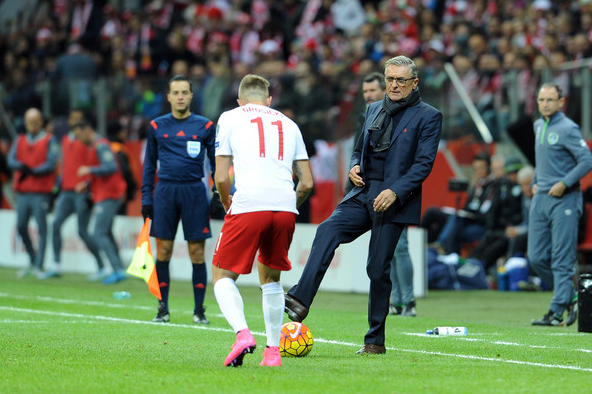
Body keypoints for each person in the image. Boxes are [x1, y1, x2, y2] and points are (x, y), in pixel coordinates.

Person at [285, 55, 442, 355]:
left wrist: (395, 191)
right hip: (363, 192)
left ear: (414, 83)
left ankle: (375, 341)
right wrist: (355, 166)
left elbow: (423, 165)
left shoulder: (429, 116)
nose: (394, 85)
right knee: (328, 229)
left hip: (393, 199)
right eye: (389, 79)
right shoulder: (372, 109)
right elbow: (359, 150)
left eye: (401, 80)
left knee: (377, 268)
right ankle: (300, 300)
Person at [211, 74, 313, 367]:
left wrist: (226, 200)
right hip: (284, 208)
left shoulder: (230, 117)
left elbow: (220, 176)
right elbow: (306, 182)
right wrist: (288, 206)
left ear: (240, 100)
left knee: (222, 276)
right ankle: (272, 353)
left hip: (248, 205)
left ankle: (243, 334)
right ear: (270, 100)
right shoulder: (290, 124)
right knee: (271, 280)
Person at [141, 74, 215, 325]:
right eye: (176, 93)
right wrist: (146, 198)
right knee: (164, 250)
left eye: (185, 92)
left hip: (194, 192)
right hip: (165, 193)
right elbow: (149, 166)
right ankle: (162, 309)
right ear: (169, 96)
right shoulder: (156, 126)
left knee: (197, 252)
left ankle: (199, 310)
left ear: (191, 96)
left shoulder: (205, 126)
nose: (181, 97)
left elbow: (217, 164)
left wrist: (218, 195)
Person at [529, 83, 592, 327]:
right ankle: (570, 296)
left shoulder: (568, 128)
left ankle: (556, 312)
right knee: (535, 257)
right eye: (541, 99)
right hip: (540, 198)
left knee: (561, 258)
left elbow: (587, 161)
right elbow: (541, 159)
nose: (545, 104)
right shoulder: (538, 125)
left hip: (564, 199)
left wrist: (564, 183)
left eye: (550, 100)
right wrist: (536, 181)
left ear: (560, 102)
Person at [47, 110, 106, 280]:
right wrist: (57, 188)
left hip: (82, 192)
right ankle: (56, 265)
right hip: (66, 191)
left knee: (82, 231)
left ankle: (102, 266)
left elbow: (95, 163)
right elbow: (65, 165)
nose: (74, 121)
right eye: (72, 118)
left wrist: (88, 183)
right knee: (56, 224)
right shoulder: (65, 139)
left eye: (77, 118)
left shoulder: (90, 141)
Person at [73, 120, 127, 285]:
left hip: (110, 194)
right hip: (104, 194)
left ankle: (117, 269)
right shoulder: (94, 146)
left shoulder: (101, 146)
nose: (78, 140)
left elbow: (111, 167)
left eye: (79, 135)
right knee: (107, 232)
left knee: (99, 232)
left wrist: (89, 170)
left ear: (87, 130)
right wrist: (88, 183)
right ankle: (119, 269)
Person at [7, 108, 59, 277]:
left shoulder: (49, 140)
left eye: (35, 122)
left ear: (40, 122)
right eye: (29, 122)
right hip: (23, 192)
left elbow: (51, 163)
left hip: (40, 191)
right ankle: (32, 258)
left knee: (42, 228)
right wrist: (21, 167)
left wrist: (32, 171)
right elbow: (11, 160)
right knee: (21, 226)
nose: (31, 125)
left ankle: (39, 265)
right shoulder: (20, 139)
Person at [433, 151, 497, 255]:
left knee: (454, 230)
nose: (478, 171)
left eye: (481, 168)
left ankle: (443, 247)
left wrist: (473, 215)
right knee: (449, 218)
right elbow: (467, 207)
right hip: (469, 221)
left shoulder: (494, 187)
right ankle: (446, 253)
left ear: (488, 167)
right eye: (476, 168)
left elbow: (490, 213)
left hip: (483, 225)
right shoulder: (477, 186)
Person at [470, 157, 525, 273]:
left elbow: (521, 215)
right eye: (510, 173)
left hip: (512, 231)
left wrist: (515, 228)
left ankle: (479, 270)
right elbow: (495, 208)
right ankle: (469, 266)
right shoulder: (503, 186)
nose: (513, 176)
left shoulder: (525, 190)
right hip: (498, 228)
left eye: (515, 173)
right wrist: (492, 226)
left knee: (492, 250)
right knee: (481, 247)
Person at [107, 122, 137, 215]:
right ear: (117, 133)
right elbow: (125, 171)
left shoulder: (104, 146)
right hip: (119, 192)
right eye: (122, 131)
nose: (124, 133)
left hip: (104, 192)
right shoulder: (119, 149)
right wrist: (132, 187)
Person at [388, 228, 416, 317]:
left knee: (400, 249)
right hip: (381, 215)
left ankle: (409, 302)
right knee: (388, 251)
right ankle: (397, 303)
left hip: (399, 214)